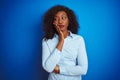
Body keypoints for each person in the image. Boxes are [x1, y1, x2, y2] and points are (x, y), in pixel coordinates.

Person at [42, 5, 88, 80]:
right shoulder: (47, 41)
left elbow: (83, 69)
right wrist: (61, 41)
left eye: (63, 18)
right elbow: (48, 67)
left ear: (69, 20)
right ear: (52, 22)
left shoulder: (78, 40)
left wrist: (59, 69)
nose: (60, 21)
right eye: (56, 19)